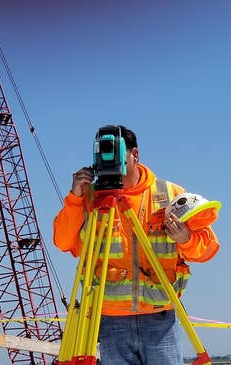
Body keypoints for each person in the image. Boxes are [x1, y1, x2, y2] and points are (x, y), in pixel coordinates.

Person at [52, 125, 220, 365]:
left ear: (135, 154)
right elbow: (63, 242)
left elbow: (209, 248)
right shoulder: (88, 199)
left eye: (115, 151)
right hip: (111, 321)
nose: (108, 158)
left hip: (159, 318)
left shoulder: (169, 193)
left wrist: (186, 239)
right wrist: (75, 198)